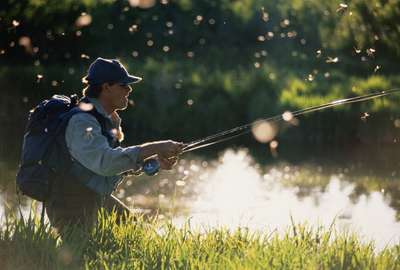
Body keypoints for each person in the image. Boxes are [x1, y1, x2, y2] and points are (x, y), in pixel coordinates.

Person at [45, 57, 184, 231]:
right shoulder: (82, 122)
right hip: (69, 203)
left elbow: (115, 165)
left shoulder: (107, 119)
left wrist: (154, 161)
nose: (129, 89)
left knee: (136, 233)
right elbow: (105, 163)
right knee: (84, 254)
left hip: (92, 196)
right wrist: (156, 146)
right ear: (106, 87)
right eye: (123, 85)